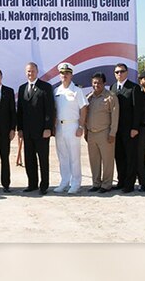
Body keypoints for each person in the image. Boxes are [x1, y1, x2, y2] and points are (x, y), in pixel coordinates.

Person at [16, 62, 55, 195]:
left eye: (32, 71)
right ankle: (32, 184)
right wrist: (19, 128)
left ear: (37, 72)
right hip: (27, 132)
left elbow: (50, 109)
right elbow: (20, 110)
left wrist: (48, 128)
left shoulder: (45, 87)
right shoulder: (22, 88)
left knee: (43, 159)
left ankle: (44, 185)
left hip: (42, 131)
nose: (30, 73)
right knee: (29, 158)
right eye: (28, 71)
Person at [53, 62, 88, 194]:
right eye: (62, 73)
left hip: (73, 125)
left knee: (74, 156)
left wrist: (81, 126)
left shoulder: (77, 90)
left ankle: (76, 182)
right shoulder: (56, 91)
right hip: (59, 127)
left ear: (71, 74)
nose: (64, 75)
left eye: (67, 73)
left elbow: (84, 108)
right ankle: (64, 181)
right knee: (62, 156)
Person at [85, 72, 119, 193]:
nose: (96, 85)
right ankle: (96, 183)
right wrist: (85, 131)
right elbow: (85, 115)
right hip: (91, 133)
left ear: (104, 83)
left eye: (99, 82)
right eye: (94, 82)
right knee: (94, 160)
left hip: (105, 133)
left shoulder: (110, 97)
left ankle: (106, 184)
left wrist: (112, 133)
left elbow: (115, 116)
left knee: (107, 160)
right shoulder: (89, 97)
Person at [112, 63, 143, 193]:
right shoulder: (113, 87)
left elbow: (137, 110)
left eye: (122, 71)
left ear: (127, 72)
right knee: (119, 156)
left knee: (130, 157)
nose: (119, 74)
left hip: (129, 130)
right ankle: (121, 181)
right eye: (117, 72)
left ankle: (129, 184)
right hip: (117, 129)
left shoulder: (134, 88)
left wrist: (135, 128)